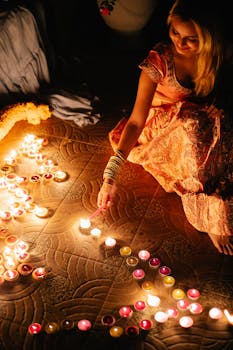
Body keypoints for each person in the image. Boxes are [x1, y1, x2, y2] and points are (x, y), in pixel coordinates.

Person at [97, 0, 233, 255]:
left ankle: (221, 198)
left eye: (190, 39)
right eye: (175, 33)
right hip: (161, 130)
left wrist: (218, 105)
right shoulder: (158, 63)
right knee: (192, 122)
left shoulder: (216, 55)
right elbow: (136, 121)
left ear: (208, 38)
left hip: (200, 121)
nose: (180, 43)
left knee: (220, 123)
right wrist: (110, 175)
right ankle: (211, 218)